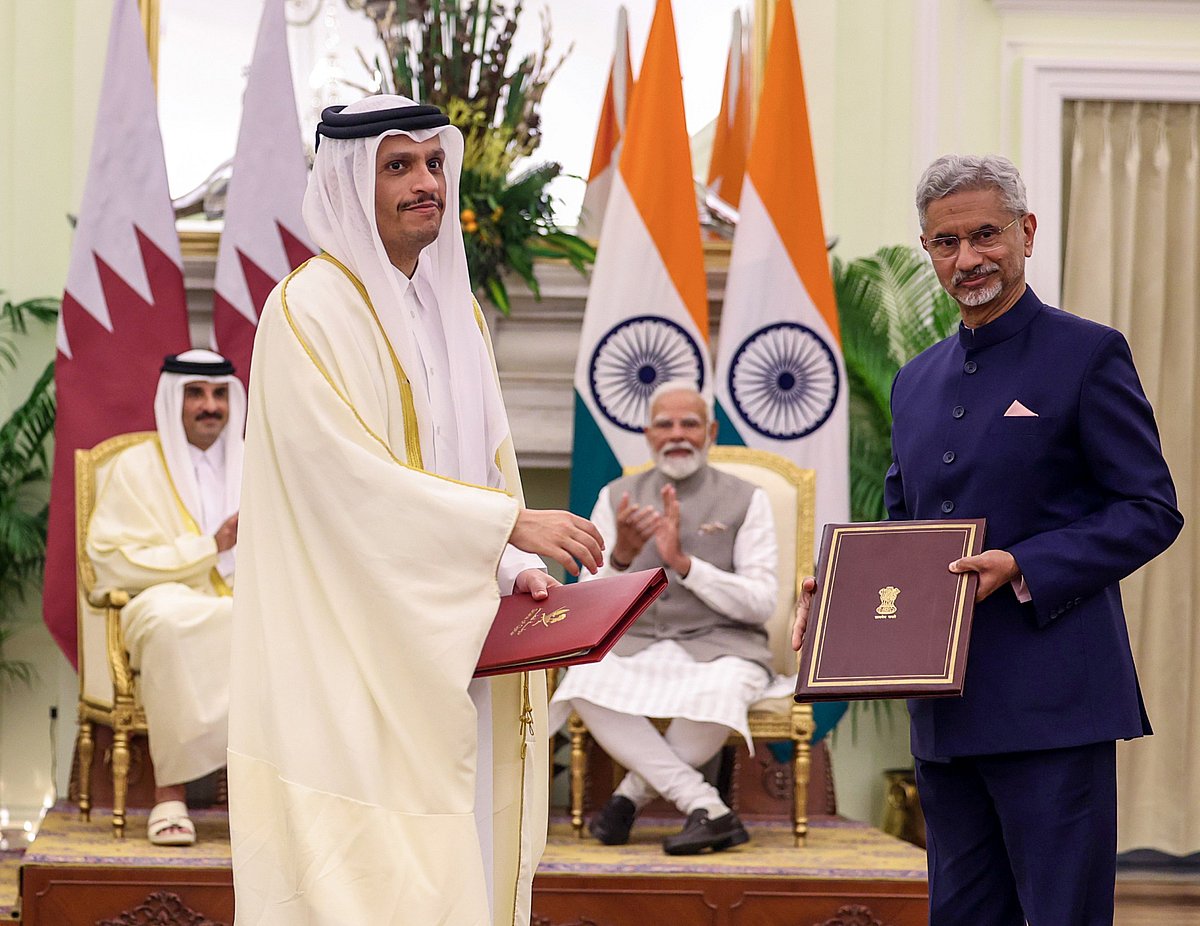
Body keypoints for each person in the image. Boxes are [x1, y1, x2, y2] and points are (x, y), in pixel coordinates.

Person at [226, 95, 604, 926]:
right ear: (349, 182)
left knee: (461, 856)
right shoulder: (305, 312)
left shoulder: (456, 311)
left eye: (433, 164)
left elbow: (483, 465)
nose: (425, 182)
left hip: (457, 623)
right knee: (372, 877)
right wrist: (502, 526)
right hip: (355, 646)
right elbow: (347, 484)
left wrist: (515, 567)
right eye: (398, 166)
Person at [793, 154, 1182, 926]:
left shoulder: (1087, 354)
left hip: (1055, 709)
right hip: (946, 715)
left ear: (1025, 232)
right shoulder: (915, 381)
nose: (966, 259)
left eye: (983, 235)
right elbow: (904, 530)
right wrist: (841, 594)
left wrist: (1026, 565)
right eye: (945, 242)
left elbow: (1150, 507)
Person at [551, 381, 780, 855]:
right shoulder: (617, 495)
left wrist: (684, 564)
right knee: (583, 680)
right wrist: (621, 557)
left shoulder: (747, 498)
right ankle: (706, 806)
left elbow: (761, 602)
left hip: (721, 646)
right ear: (648, 434)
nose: (678, 434)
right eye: (665, 424)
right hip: (639, 643)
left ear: (711, 431)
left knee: (720, 691)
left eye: (689, 423)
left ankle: (627, 799)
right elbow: (585, 605)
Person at [87, 349, 244, 847]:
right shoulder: (133, 467)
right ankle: (169, 794)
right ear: (173, 399)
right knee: (171, 623)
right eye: (195, 393)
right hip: (160, 599)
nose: (210, 406)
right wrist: (209, 547)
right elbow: (109, 557)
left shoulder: (258, 464)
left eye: (220, 394)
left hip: (243, 596)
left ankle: (262, 796)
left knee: (289, 623)